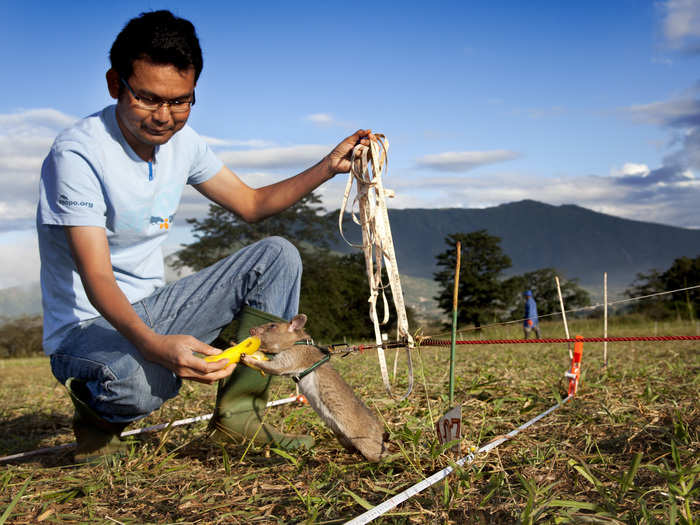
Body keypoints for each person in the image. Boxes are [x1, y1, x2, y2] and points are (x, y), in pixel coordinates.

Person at [37, 10, 372, 461]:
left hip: (153, 307)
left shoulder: (184, 141)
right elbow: (96, 277)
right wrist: (155, 346)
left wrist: (328, 166)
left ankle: (240, 416)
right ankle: (97, 417)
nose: (164, 116)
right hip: (85, 330)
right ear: (115, 84)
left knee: (276, 255)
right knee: (142, 385)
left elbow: (252, 205)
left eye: (181, 101)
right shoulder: (77, 154)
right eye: (147, 99)